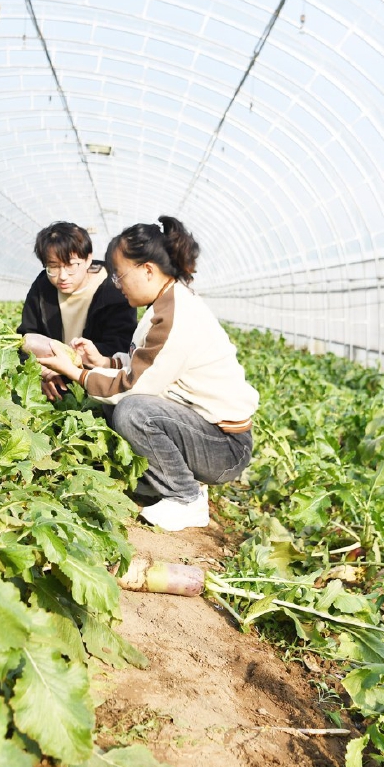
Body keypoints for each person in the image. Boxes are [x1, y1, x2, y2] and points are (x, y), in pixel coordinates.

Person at [35, 216, 258, 532]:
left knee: (131, 411)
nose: (118, 284)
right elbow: (142, 367)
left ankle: (185, 498)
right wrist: (99, 360)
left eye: (119, 276)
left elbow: (131, 386)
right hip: (205, 433)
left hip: (225, 448)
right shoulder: (165, 304)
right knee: (118, 406)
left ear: (148, 271)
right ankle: (164, 481)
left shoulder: (175, 316)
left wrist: (73, 370)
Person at [18, 221, 137, 400]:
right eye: (53, 267)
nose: (62, 276)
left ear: (88, 258)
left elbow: (120, 345)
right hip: (52, 379)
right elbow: (26, 337)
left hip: (101, 381)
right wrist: (40, 371)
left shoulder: (113, 288)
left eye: (71, 265)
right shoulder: (42, 287)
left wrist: (70, 365)